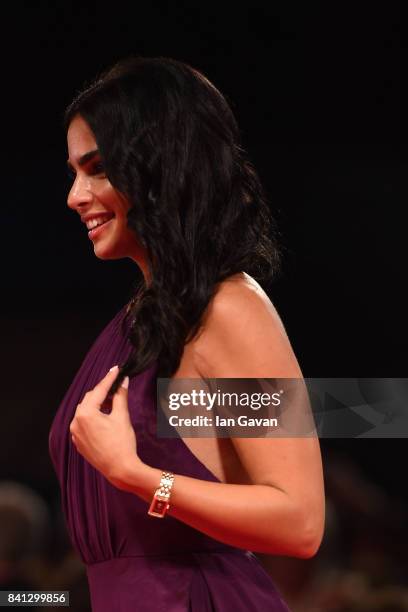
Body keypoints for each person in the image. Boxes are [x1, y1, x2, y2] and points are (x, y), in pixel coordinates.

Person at [48, 55, 325, 611]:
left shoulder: (227, 309)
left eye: (98, 168)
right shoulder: (150, 317)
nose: (75, 196)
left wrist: (136, 475)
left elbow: (299, 520)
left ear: (159, 167)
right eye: (74, 172)